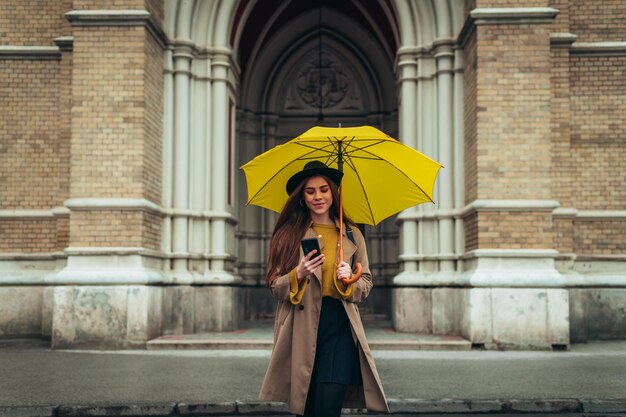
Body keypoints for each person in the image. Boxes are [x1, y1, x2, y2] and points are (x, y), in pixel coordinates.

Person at [259, 160, 388, 417]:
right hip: (301, 328)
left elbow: (366, 283)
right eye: (310, 191)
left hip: (339, 325)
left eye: (324, 189)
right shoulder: (289, 234)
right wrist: (299, 273)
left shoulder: (352, 234)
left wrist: (350, 278)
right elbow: (274, 286)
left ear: (333, 193)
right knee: (305, 408)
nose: (318, 196)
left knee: (328, 407)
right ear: (302, 198)